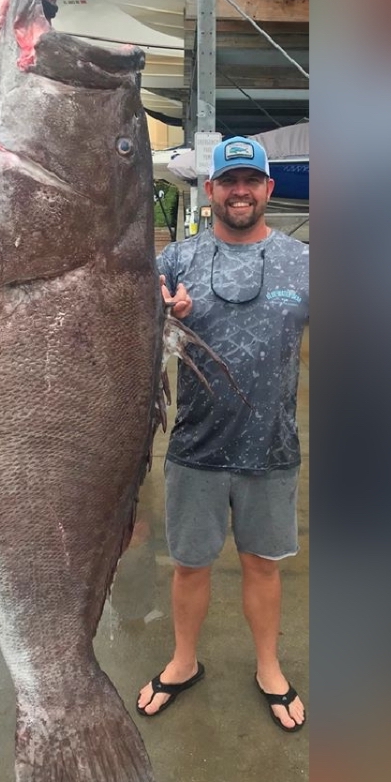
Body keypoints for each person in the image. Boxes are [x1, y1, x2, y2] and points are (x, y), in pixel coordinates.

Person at [137, 136, 308, 732]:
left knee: (263, 566)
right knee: (190, 567)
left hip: (273, 449)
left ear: (268, 189)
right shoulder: (175, 261)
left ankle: (268, 667)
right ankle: (184, 661)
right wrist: (160, 311)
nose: (240, 190)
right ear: (208, 191)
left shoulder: (303, 262)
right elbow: (124, 315)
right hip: (195, 449)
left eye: (250, 180)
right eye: (228, 181)